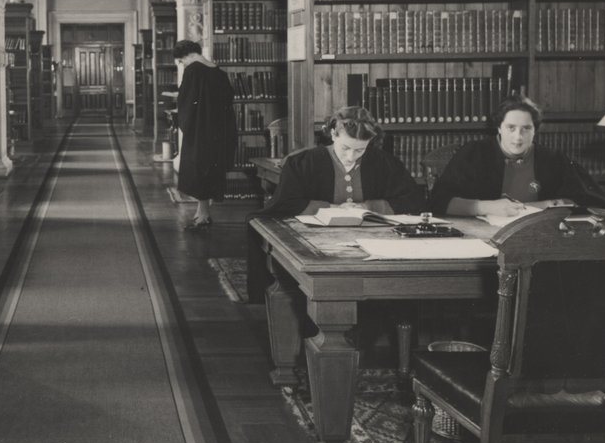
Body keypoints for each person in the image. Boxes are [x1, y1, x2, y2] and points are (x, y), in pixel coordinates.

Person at [245, 106, 424, 300]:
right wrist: (331, 208)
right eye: (345, 148)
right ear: (333, 134)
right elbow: (287, 203)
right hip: (314, 244)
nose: (351, 157)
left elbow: (412, 200)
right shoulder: (303, 163)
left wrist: (368, 207)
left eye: (360, 150)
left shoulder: (384, 163)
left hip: (373, 244)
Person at [428, 96, 605, 217]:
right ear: (499, 128)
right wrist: (486, 207)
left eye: (526, 129)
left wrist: (548, 205)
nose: (518, 137)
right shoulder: (473, 153)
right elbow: (439, 202)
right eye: (511, 128)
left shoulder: (553, 159)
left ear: (535, 130)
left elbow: (593, 200)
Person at [173, 39, 237, 229]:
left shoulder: (193, 70)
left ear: (188, 56)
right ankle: (202, 212)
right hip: (220, 129)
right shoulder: (218, 71)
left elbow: (186, 100)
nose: (183, 64)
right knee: (210, 169)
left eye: (181, 61)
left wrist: (184, 123)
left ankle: (203, 215)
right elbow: (229, 98)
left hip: (200, 130)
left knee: (198, 169)